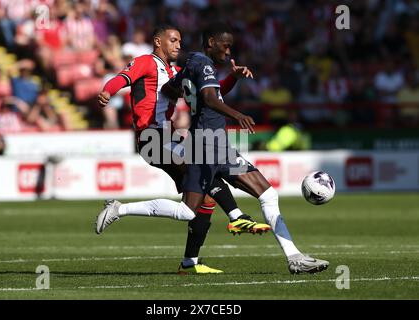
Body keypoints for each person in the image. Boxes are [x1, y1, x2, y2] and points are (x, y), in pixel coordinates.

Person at [97, 23, 329, 275]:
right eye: (173, 40)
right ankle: (237, 216)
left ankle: (189, 261)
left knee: (199, 204)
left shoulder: (178, 69)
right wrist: (108, 92)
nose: (178, 45)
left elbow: (195, 93)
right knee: (208, 174)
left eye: (179, 40)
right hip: (153, 138)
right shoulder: (147, 61)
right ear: (157, 41)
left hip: (175, 137)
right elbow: (123, 78)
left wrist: (230, 79)